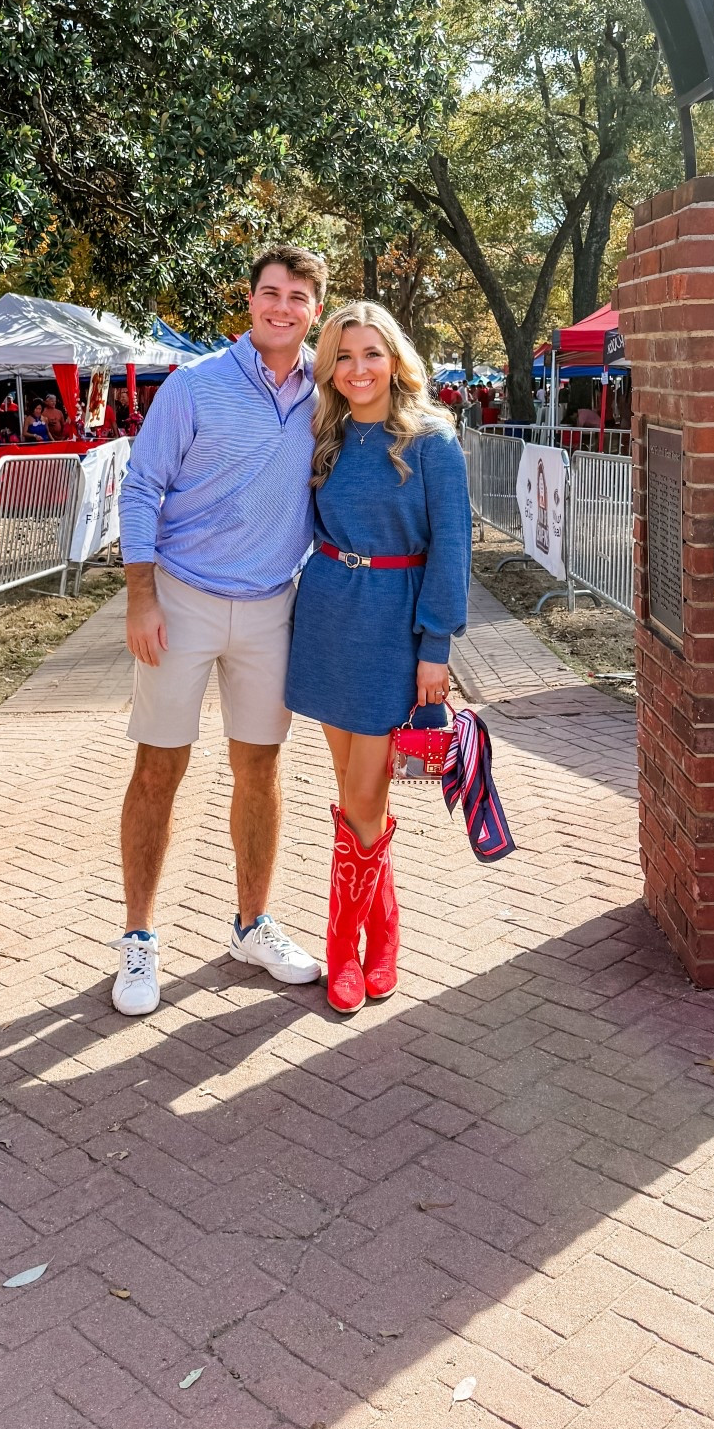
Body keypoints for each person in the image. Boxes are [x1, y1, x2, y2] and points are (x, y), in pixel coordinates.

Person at [111, 245, 328, 1016]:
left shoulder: (326, 396)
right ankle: (138, 939)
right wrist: (142, 597)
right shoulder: (195, 385)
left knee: (260, 771)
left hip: (273, 602)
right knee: (158, 769)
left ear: (314, 310)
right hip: (182, 596)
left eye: (297, 297)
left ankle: (251, 926)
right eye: (270, 292)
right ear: (250, 302)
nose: (282, 306)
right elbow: (142, 489)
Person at [284, 302, 471, 1014]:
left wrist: (436, 646)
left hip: (394, 623)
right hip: (329, 614)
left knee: (363, 796)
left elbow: (451, 549)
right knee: (356, 790)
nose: (357, 369)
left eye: (371, 353)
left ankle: (343, 950)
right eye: (342, 356)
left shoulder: (431, 440)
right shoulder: (324, 434)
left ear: (395, 358)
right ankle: (381, 933)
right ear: (327, 366)